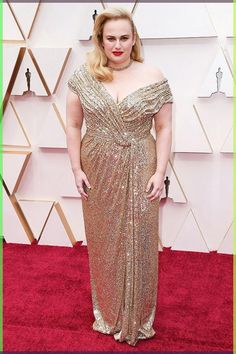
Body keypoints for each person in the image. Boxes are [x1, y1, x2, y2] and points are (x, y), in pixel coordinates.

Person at [66, 7, 173, 347]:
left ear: (134, 39)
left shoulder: (153, 74)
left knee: (140, 238)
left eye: (124, 37)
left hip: (141, 160)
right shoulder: (84, 76)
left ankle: (138, 318)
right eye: (110, 38)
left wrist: (160, 170)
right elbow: (72, 124)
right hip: (96, 164)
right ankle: (109, 314)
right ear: (99, 40)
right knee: (104, 241)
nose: (117, 45)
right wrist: (76, 167)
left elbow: (165, 126)